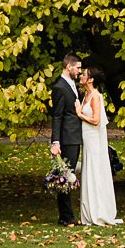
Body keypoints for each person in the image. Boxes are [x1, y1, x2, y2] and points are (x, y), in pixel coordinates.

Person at [77, 66, 121, 226]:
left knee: (95, 170)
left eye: (84, 74)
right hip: (87, 139)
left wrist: (79, 114)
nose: (81, 76)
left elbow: (96, 120)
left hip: (94, 139)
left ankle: (100, 211)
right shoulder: (86, 94)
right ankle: (89, 212)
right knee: (89, 170)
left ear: (91, 79)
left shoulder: (95, 96)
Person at [48, 52, 84, 226]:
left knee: (67, 176)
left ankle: (67, 215)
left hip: (74, 136)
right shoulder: (60, 87)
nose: (79, 71)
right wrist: (56, 142)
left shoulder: (71, 85)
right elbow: (57, 116)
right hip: (67, 138)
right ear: (68, 66)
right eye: (77, 68)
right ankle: (66, 216)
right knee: (65, 176)